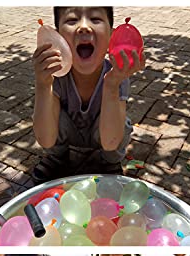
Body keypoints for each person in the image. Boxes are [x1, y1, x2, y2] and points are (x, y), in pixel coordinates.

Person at [32, 7, 145, 181]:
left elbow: (111, 141)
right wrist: (42, 84)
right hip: (69, 131)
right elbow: (45, 140)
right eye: (71, 20)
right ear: (57, 37)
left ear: (111, 36)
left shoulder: (117, 74)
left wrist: (112, 85)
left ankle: (109, 162)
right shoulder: (55, 75)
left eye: (95, 19)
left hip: (103, 136)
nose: (84, 27)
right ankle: (57, 158)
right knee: (47, 111)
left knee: (123, 123)